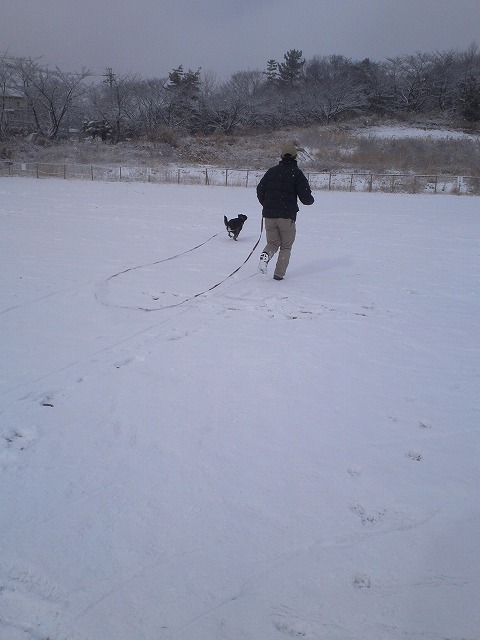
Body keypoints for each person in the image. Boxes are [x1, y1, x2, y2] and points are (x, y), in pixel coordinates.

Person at [256, 143, 314, 280]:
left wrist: (267, 204)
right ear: (295, 156)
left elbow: (260, 190)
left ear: (281, 156)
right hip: (286, 217)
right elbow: (306, 199)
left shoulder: (271, 171)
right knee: (286, 247)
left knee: (272, 243)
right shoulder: (297, 174)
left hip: (269, 216)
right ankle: (278, 275)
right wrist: (310, 199)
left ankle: (265, 256)